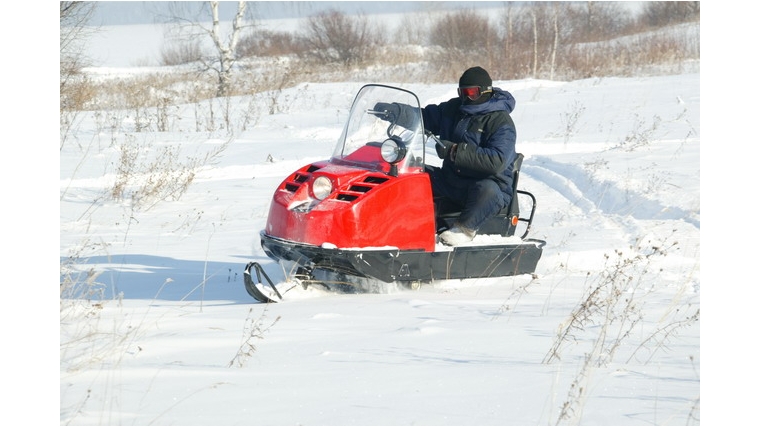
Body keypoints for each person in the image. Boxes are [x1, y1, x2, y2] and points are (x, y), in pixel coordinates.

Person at [374, 66, 518, 246]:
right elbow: (424, 117)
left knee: (487, 189)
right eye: (462, 92)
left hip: (487, 186)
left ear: (485, 92)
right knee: (413, 174)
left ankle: (463, 231)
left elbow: (496, 161)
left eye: (472, 92)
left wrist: (455, 151)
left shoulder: (500, 121)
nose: (466, 98)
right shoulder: (454, 109)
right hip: (452, 180)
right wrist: (397, 113)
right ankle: (391, 222)